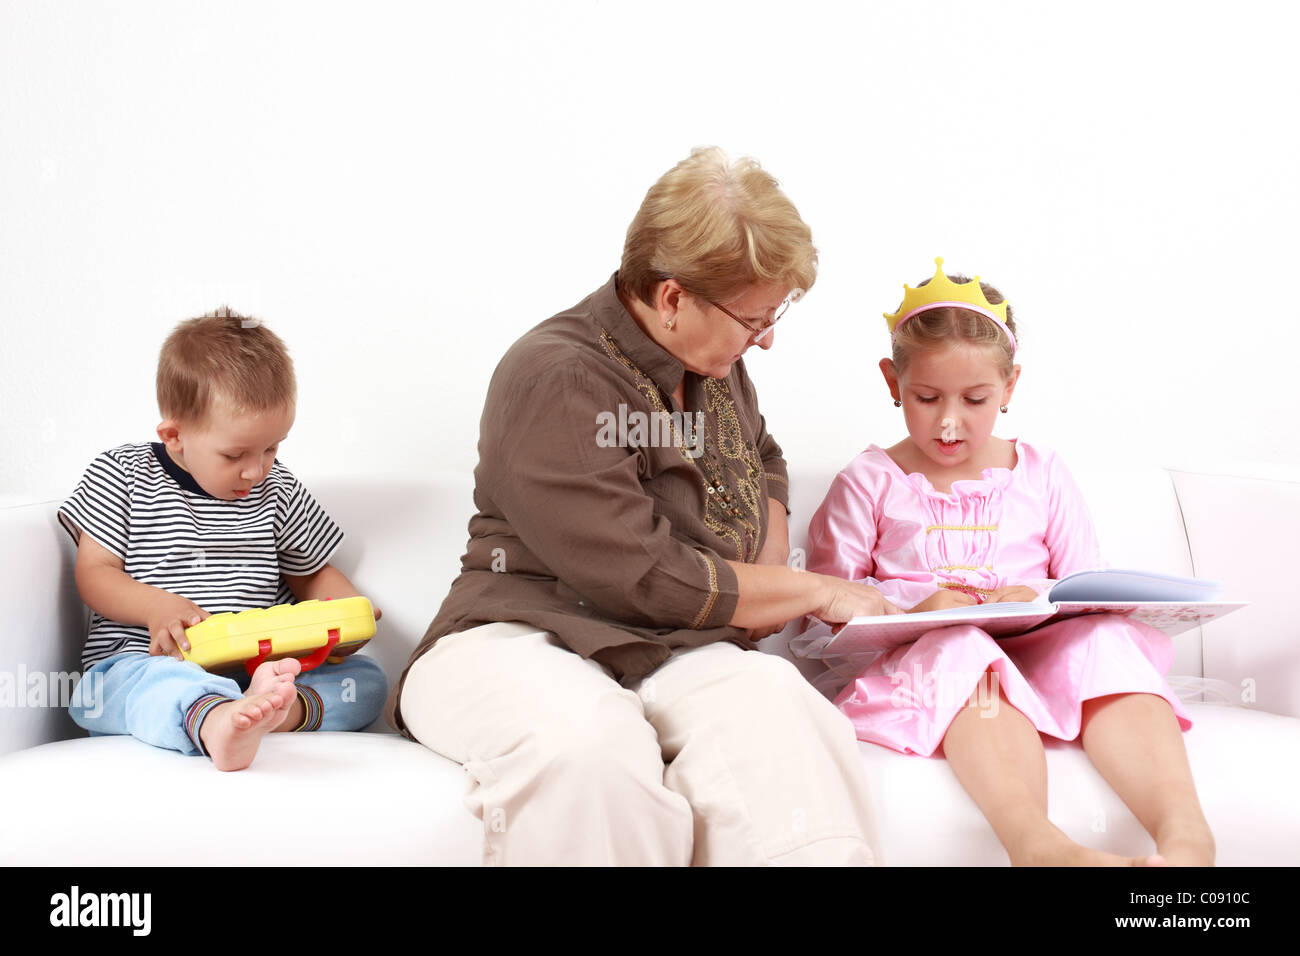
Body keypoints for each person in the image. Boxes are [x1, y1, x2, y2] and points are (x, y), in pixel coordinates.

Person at [388, 147, 900, 866]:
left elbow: (765, 458)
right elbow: (644, 574)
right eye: (755, 318)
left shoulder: (716, 363)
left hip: (671, 646)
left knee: (783, 716)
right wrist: (809, 588)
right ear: (671, 297)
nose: (768, 337)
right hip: (522, 632)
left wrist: (765, 555)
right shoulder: (557, 376)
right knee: (588, 747)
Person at [803, 258, 1215, 865]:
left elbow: (1086, 585)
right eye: (926, 397)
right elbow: (820, 619)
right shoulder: (869, 481)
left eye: (974, 399)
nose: (949, 421)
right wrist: (919, 606)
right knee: (966, 647)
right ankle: (1039, 846)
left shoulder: (1043, 473)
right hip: (932, 666)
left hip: (1041, 653)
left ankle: (1187, 838)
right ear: (893, 382)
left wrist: (1041, 594)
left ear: (1010, 386)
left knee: (1104, 640)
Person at [58, 308, 387, 771]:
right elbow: (94, 575)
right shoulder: (123, 475)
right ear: (174, 436)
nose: (257, 470)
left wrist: (344, 615)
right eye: (236, 454)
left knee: (367, 682)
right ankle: (213, 719)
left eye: (272, 448)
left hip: (257, 668)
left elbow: (312, 575)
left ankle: (270, 713)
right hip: (149, 660)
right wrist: (156, 607)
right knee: (115, 688)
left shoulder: (280, 491)